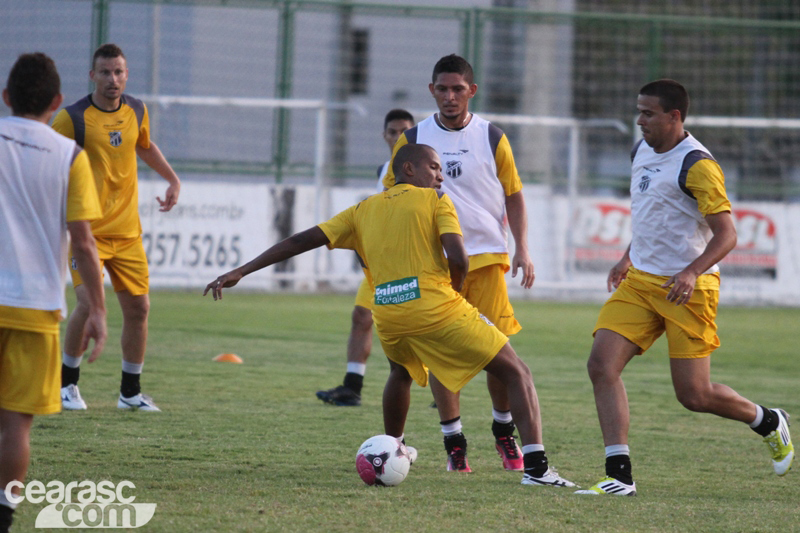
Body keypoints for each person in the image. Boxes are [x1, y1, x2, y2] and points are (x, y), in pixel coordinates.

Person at [205, 143, 576, 489]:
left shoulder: (362, 209)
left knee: (400, 374)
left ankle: (392, 447)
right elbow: (459, 257)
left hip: (388, 313)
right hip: (436, 307)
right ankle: (537, 470)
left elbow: (301, 240)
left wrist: (243, 270)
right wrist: (455, 291)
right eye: (434, 167)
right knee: (516, 371)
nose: (441, 176)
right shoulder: (435, 200)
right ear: (409, 168)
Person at [575, 79, 794, 496]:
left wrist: (691, 272)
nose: (640, 121)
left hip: (688, 289)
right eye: (638, 112)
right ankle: (619, 476)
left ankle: (767, 420)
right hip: (640, 282)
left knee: (694, 395)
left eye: (648, 113)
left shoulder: (697, 165)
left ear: (674, 116)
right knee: (601, 365)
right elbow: (653, 214)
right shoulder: (641, 151)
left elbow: (727, 235)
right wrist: (627, 256)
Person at [382, 54, 534, 472]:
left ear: (472, 91)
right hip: (434, 264)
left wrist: (522, 247)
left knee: (499, 353)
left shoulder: (492, 136)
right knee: (442, 353)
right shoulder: (413, 137)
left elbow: (514, 194)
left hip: (486, 259)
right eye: (443, 89)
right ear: (432, 90)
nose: (450, 96)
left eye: (458, 89)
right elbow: (391, 198)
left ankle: (503, 431)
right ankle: (454, 441)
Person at [0, 53, 107, 532]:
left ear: (6, 97)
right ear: (57, 101)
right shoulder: (69, 156)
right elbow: (83, 241)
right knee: (15, 427)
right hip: (35, 307)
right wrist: (97, 309)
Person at [52, 43, 181, 412]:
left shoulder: (137, 110)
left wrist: (172, 180)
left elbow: (145, 145)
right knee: (87, 304)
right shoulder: (72, 119)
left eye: (119, 72)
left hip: (127, 234)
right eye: (106, 72)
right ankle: (66, 385)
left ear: (126, 74)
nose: (113, 78)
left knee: (140, 308)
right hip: (86, 234)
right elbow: (51, 161)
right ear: (92, 75)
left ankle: (130, 393)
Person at [316, 108, 415, 407]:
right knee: (361, 316)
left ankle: (446, 386)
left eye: (404, 131)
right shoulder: (383, 170)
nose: (398, 137)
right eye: (393, 132)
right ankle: (352, 387)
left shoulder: (420, 169)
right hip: (381, 263)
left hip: (411, 263)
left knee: (420, 327)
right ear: (384, 135)